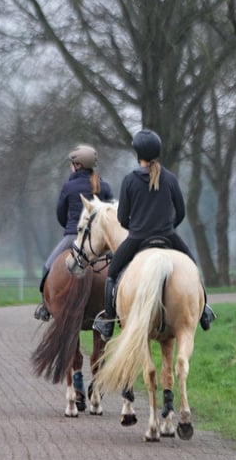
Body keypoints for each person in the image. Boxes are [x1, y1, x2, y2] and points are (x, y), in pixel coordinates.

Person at [92, 129, 216, 340]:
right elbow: (181, 211)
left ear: (138, 153)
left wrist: (137, 227)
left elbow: (122, 218)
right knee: (193, 268)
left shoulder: (129, 180)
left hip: (137, 238)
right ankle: (203, 312)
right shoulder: (170, 178)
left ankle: (108, 322)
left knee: (112, 274)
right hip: (168, 236)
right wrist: (168, 226)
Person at [34, 144, 113, 321]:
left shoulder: (68, 187)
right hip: (99, 242)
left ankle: (45, 307)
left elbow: (60, 214)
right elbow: (111, 214)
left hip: (73, 237)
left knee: (47, 266)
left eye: (72, 163)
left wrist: (70, 228)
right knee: (120, 269)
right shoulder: (104, 186)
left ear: (77, 165)